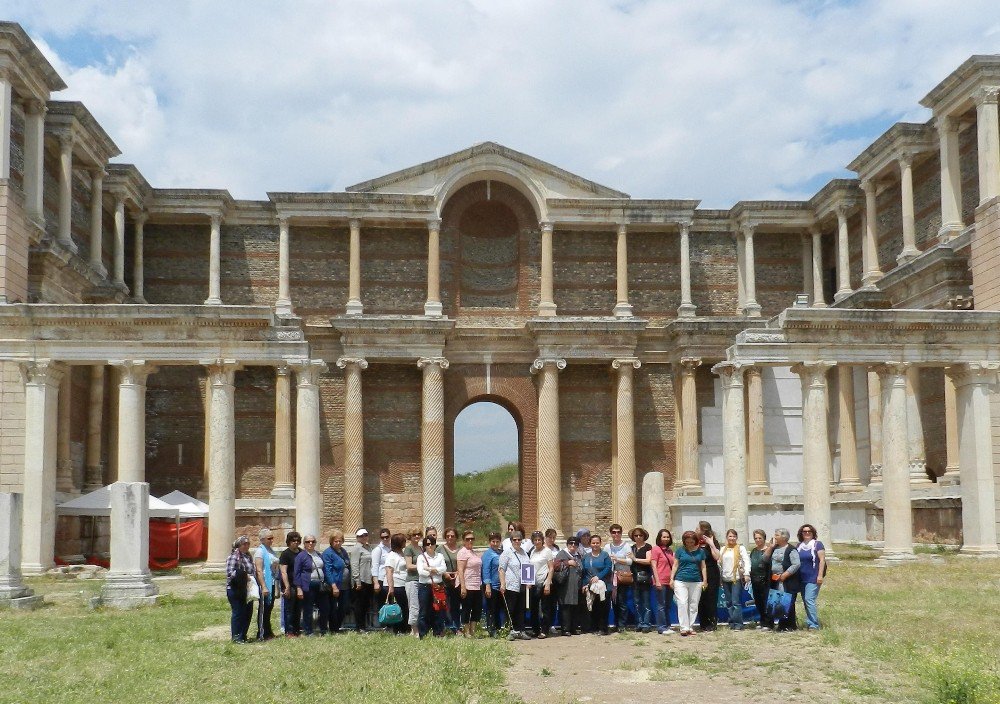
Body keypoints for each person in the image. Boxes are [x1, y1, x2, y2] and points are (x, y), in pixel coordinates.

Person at [763, 528, 801, 631]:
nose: (775, 537)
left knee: (786, 601)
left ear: (784, 537)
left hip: (786, 580)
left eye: (777, 535)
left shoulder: (791, 549)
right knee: (775, 601)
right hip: (774, 579)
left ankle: (789, 625)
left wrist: (785, 574)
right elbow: (765, 558)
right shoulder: (774, 548)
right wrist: (770, 547)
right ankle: (778, 624)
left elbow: (796, 564)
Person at [671, 530, 707, 636]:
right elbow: (675, 565)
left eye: (691, 542)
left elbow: (703, 566)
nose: (689, 544)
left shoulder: (701, 552)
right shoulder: (680, 551)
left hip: (696, 581)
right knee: (682, 603)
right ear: (684, 541)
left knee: (694, 604)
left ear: (695, 541)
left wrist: (705, 580)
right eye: (687, 542)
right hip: (680, 580)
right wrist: (671, 578)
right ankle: (684, 627)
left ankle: (690, 626)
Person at [293, 535, 328, 636]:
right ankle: (308, 631)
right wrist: (299, 588)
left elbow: (323, 568)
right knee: (308, 609)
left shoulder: (318, 554)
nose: (310, 543)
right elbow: (297, 573)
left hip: (320, 585)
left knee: (324, 608)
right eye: (308, 542)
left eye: (313, 541)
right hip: (308, 585)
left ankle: (323, 629)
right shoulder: (301, 556)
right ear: (304, 544)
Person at [499, 530, 531, 640]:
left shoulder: (524, 553)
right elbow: (501, 569)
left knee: (521, 609)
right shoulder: (507, 553)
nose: (517, 541)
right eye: (514, 540)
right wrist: (502, 584)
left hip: (522, 585)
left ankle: (520, 630)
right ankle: (509, 630)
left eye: (519, 539)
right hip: (511, 585)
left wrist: (528, 582)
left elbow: (528, 567)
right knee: (510, 609)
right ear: (511, 541)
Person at [795, 523, 826, 630]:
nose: (807, 533)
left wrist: (820, 575)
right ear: (801, 534)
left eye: (809, 531)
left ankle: (814, 624)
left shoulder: (818, 544)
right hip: (801, 577)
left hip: (813, 577)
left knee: (809, 599)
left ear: (813, 533)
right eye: (805, 532)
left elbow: (822, 560)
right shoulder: (799, 546)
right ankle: (809, 621)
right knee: (805, 600)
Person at [719, 529, 751, 630]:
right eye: (730, 536)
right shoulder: (723, 549)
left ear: (736, 537)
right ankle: (732, 622)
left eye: (734, 536)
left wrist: (746, 573)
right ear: (727, 537)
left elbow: (746, 560)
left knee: (735, 602)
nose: (732, 538)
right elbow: (719, 564)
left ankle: (738, 624)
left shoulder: (741, 548)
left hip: (736, 579)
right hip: (725, 578)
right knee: (728, 602)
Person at [225, 535, 255, 643]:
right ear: (239, 545)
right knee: (238, 612)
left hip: (247, 588)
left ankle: (243, 635)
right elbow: (230, 573)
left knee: (248, 612)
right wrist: (244, 575)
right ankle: (236, 636)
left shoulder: (248, 556)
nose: (246, 546)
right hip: (235, 588)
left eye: (248, 544)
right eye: (244, 544)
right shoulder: (234, 557)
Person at [417, 535, 447, 638]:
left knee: (438, 610)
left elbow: (443, 569)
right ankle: (423, 634)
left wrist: (430, 569)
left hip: (438, 586)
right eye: (427, 544)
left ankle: (437, 632)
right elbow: (421, 572)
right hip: (425, 586)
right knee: (424, 610)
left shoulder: (440, 556)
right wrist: (435, 570)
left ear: (435, 545)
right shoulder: (421, 557)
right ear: (424, 546)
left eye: (432, 544)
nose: (430, 546)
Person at [605, 523, 633, 632]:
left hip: (622, 576)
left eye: (618, 532)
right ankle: (616, 623)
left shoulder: (626, 546)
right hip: (611, 576)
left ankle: (622, 625)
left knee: (622, 601)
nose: (616, 534)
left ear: (621, 533)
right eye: (614, 532)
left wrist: (617, 559)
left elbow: (630, 561)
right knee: (614, 601)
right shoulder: (608, 547)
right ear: (611, 533)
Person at [526, 530, 555, 638]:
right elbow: (529, 567)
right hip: (534, 583)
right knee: (534, 608)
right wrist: (528, 581)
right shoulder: (532, 552)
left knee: (545, 608)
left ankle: (544, 630)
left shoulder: (547, 551)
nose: (537, 542)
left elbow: (551, 568)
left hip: (544, 581)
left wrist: (548, 583)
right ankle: (535, 630)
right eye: (535, 540)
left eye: (539, 540)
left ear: (542, 540)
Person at [582, 534, 612, 635]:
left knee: (603, 607)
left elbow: (608, 568)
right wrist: (585, 584)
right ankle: (594, 627)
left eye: (597, 543)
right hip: (591, 586)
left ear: (600, 543)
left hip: (604, 585)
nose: (595, 545)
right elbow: (584, 572)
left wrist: (598, 576)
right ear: (590, 544)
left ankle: (603, 628)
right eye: (593, 543)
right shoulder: (586, 557)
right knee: (593, 607)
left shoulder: (605, 555)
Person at [552, 536, 582, 636]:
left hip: (575, 585)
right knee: (565, 606)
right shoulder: (562, 553)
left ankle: (573, 628)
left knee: (574, 607)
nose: (573, 545)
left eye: (575, 544)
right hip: (565, 584)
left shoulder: (578, 555)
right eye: (571, 543)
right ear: (567, 544)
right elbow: (555, 565)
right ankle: (565, 629)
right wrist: (567, 562)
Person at [695, 520, 722, 632]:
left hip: (711, 573)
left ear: (703, 530)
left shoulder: (713, 542)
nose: (695, 530)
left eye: (698, 528)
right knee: (700, 599)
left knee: (711, 599)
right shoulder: (695, 542)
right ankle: (703, 623)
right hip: (698, 573)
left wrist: (710, 544)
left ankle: (712, 623)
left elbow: (717, 557)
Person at [253, 528, 279, 640]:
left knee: (269, 607)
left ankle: (268, 631)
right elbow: (259, 569)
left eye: (272, 538)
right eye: (269, 538)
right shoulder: (260, 551)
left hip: (272, 581)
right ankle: (262, 633)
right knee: (264, 609)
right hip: (265, 582)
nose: (272, 540)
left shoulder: (270, 550)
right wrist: (263, 586)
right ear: (262, 539)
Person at [322, 531, 350, 633]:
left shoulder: (342, 551)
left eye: (340, 541)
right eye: (335, 541)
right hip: (335, 585)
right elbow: (328, 570)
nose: (338, 543)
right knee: (333, 608)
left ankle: (337, 627)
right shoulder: (327, 553)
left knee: (344, 607)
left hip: (345, 585)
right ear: (331, 541)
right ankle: (333, 629)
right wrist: (334, 586)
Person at [382, 533, 410, 635]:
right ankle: (397, 629)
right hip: (395, 584)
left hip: (403, 584)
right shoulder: (392, 555)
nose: (405, 543)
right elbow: (389, 571)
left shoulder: (402, 554)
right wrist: (391, 587)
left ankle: (404, 628)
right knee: (398, 608)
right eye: (403, 541)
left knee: (404, 607)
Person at [457, 530, 483, 637]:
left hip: (477, 584)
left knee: (477, 609)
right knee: (466, 609)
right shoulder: (462, 552)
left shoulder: (473, 552)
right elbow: (460, 570)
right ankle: (466, 631)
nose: (470, 541)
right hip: (467, 584)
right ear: (463, 541)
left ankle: (473, 631)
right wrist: (463, 586)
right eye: (467, 539)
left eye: (472, 538)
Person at [650, 528, 675, 635]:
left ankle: (668, 625)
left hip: (669, 581)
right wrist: (657, 580)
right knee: (661, 605)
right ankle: (661, 627)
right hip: (660, 580)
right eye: (663, 537)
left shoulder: (670, 551)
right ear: (659, 538)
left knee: (668, 605)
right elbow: (653, 565)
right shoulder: (656, 549)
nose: (665, 539)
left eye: (667, 537)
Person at [437, 527, 461, 634]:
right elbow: (435, 563)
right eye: (448, 536)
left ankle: (456, 627)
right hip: (444, 582)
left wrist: (458, 573)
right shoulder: (440, 549)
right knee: (445, 606)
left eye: (452, 536)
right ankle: (446, 627)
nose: (450, 538)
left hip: (456, 581)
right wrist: (444, 573)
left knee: (456, 606)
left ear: (456, 537)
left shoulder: (460, 549)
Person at [630, 526, 654, 633]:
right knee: (637, 602)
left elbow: (648, 560)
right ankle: (639, 623)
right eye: (636, 535)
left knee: (646, 603)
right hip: (634, 578)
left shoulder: (648, 547)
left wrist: (635, 559)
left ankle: (646, 624)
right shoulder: (632, 548)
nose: (638, 537)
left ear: (644, 536)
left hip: (645, 577)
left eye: (640, 535)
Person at [278, 531, 302, 637]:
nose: (295, 542)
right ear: (289, 541)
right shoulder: (285, 554)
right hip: (290, 585)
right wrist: (287, 586)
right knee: (289, 609)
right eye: (293, 540)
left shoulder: (301, 552)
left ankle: (297, 630)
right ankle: (289, 631)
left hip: (300, 585)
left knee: (298, 609)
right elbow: (283, 571)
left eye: (297, 540)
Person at [350, 528, 373, 631]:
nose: (363, 537)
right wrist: (357, 580)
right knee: (359, 604)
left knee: (365, 604)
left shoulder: (368, 547)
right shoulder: (356, 548)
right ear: (357, 537)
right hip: (360, 580)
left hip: (368, 579)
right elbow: (354, 564)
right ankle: (359, 626)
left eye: (365, 535)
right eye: (361, 536)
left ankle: (364, 625)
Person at [481, 531, 503, 636]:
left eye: (497, 541)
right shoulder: (487, 554)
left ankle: (498, 628)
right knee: (491, 609)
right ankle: (491, 629)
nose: (495, 543)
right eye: (493, 541)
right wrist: (487, 586)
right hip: (491, 586)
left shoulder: (501, 553)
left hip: (500, 586)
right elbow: (485, 570)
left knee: (498, 608)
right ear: (490, 542)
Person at [402, 528, 423, 637]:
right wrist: (423, 567)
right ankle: (414, 630)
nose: (417, 536)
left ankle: (416, 629)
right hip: (412, 580)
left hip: (421, 580)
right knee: (414, 605)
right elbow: (409, 566)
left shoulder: (421, 548)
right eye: (414, 534)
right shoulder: (408, 549)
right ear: (410, 536)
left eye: (418, 534)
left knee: (420, 605)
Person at [748, 529, 770, 628]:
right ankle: (762, 621)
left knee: (766, 601)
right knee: (758, 601)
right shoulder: (754, 551)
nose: (757, 540)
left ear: (764, 538)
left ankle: (768, 623)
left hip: (766, 580)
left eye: (760, 538)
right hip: (755, 579)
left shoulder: (769, 550)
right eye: (756, 538)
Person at [370, 527, 392, 618]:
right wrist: (376, 583)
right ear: (380, 538)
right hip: (381, 579)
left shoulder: (391, 548)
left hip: (389, 579)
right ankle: (382, 623)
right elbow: (374, 566)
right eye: (383, 537)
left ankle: (390, 622)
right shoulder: (378, 550)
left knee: (390, 601)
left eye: (387, 537)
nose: (385, 539)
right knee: (382, 602)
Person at [573, 529, 592, 632]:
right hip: (579, 579)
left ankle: (588, 625)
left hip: (591, 578)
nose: (585, 538)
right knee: (580, 603)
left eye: (587, 535)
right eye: (583, 536)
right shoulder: (577, 549)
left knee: (590, 603)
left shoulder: (592, 547)